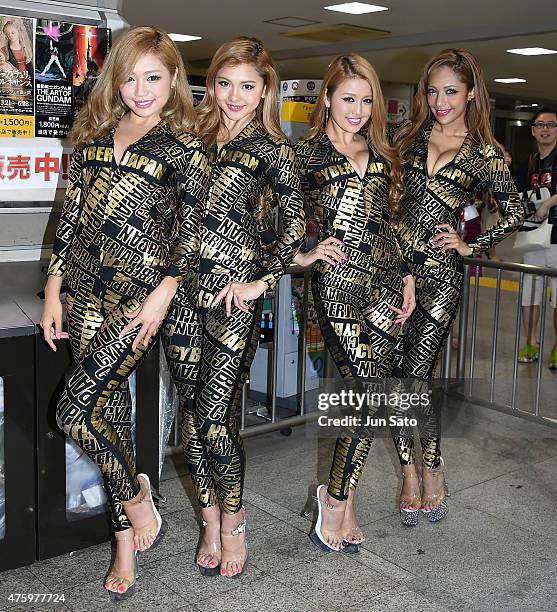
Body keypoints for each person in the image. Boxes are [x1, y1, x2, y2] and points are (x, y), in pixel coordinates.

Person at [39, 27, 209, 601]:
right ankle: (125, 540)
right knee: (103, 415)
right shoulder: (92, 137)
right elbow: (69, 219)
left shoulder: (184, 148)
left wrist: (165, 292)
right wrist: (52, 290)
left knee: (72, 411)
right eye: (130, 77)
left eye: (154, 78)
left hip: (137, 306)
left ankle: (139, 501)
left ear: (173, 81)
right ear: (116, 79)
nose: (141, 90)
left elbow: (194, 234)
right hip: (83, 295)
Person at [162, 36, 305, 578]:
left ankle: (235, 521)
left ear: (265, 88)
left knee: (218, 417)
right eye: (225, 83)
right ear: (211, 83)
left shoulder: (274, 150)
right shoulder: (188, 137)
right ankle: (207, 518)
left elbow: (292, 227)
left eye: (247, 85)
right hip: (180, 293)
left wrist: (259, 283)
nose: (234, 96)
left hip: (232, 298)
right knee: (194, 416)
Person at [391, 48, 523, 526]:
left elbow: (516, 210)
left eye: (450, 91)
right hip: (394, 271)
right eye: (433, 90)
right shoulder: (408, 137)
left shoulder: (483, 151)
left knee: (418, 376)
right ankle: (409, 472)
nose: (441, 100)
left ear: (470, 93)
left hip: (441, 274)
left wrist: (472, 244)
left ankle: (432, 470)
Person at [294, 54, 416, 552]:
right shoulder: (305, 156)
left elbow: (391, 223)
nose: (358, 110)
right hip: (339, 285)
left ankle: (343, 498)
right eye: (348, 99)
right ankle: (336, 500)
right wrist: (304, 254)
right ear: (326, 98)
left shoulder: (382, 155)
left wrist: (408, 276)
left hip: (386, 284)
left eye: (366, 101)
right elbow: (275, 216)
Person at [516, 107, 557, 369]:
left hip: (556, 236)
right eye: (540, 124)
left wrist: (549, 203)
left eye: (551, 125)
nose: (545, 129)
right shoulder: (527, 163)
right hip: (532, 235)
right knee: (529, 292)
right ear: (532, 130)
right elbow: (516, 195)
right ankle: (530, 341)